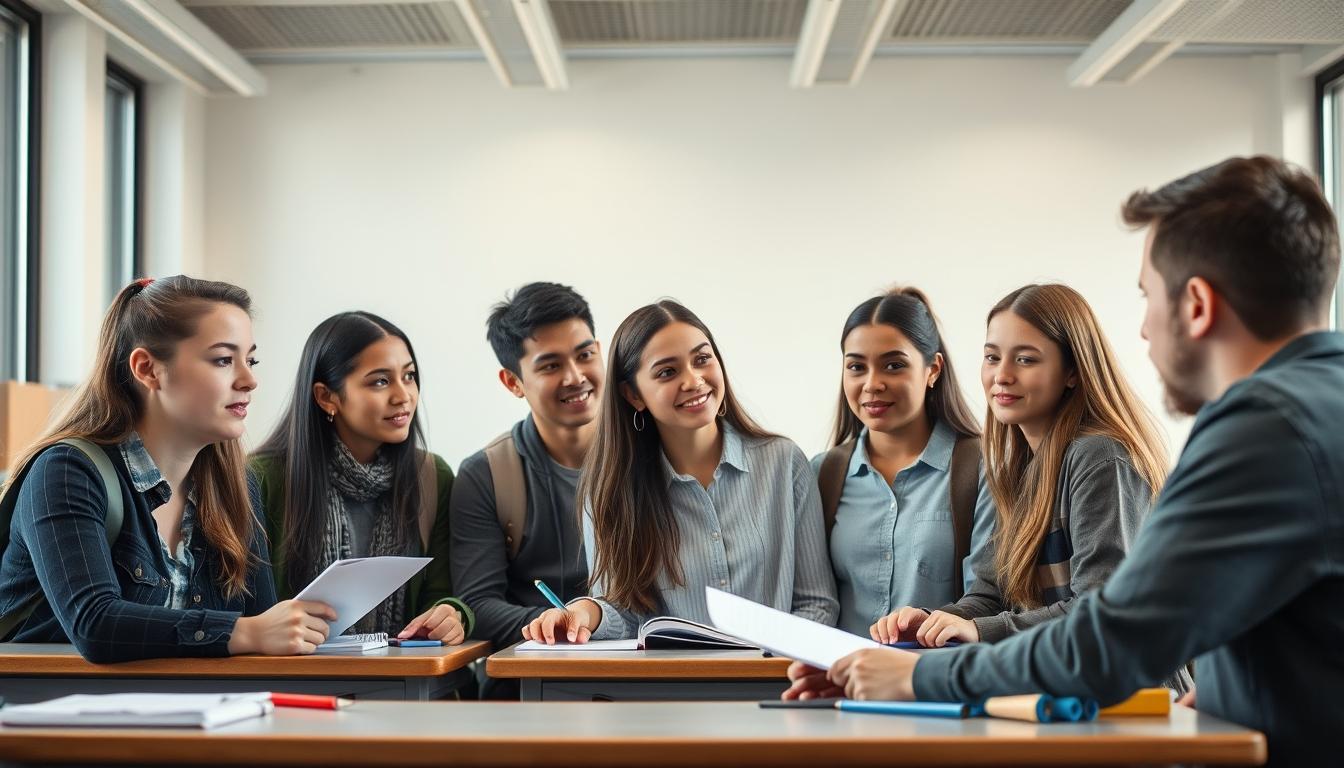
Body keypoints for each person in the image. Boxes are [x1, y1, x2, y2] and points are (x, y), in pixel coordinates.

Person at [783, 156, 1343, 766]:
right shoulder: (1316, 407)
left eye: (1147, 298)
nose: (1146, 332)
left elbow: (1116, 639)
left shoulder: (1259, 428)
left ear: (1199, 305)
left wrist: (916, 679)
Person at [0, 276, 334, 662]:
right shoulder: (66, 471)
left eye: (251, 360)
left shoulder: (236, 485)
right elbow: (95, 624)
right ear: (148, 369)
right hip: (51, 714)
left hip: (188, 716)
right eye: (224, 360)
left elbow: (262, 631)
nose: (249, 380)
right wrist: (245, 631)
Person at [522, 300, 837, 644]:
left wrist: (770, 665)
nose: (693, 380)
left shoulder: (784, 462)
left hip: (775, 683)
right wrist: (583, 613)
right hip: (670, 687)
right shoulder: (609, 491)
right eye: (667, 372)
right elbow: (623, 614)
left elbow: (816, 604)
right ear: (633, 395)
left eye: (702, 359)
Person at [252, 311, 468, 644]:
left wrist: (450, 614)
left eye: (408, 376)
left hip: (401, 681)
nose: (403, 395)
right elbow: (244, 608)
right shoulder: (263, 479)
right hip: (294, 682)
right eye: (380, 381)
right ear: (327, 396)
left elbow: (444, 593)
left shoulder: (431, 476)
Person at [815, 288, 993, 638]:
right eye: (856, 367)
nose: (872, 384)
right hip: (843, 681)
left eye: (894, 365)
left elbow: (988, 597)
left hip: (936, 679)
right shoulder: (821, 474)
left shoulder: (984, 467)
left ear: (932, 370)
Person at [449, 283, 601, 694]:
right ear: (513, 382)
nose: (576, 377)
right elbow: (476, 605)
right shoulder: (487, 474)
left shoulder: (650, 458)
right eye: (550, 365)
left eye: (585, 355)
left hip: (642, 680)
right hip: (527, 689)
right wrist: (559, 624)